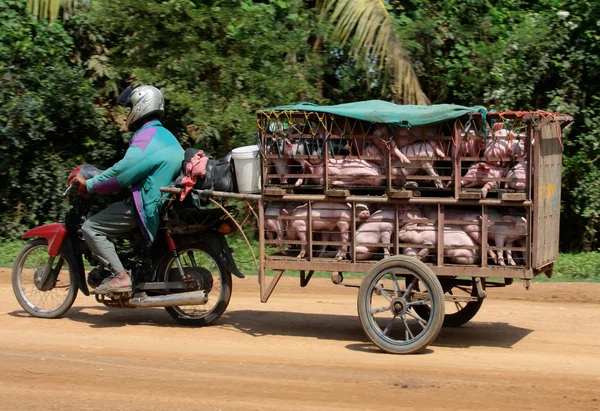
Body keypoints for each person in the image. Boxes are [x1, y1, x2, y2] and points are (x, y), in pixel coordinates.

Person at [68, 85, 184, 294]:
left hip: (148, 205)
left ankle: (121, 277)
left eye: (129, 107)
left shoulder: (147, 137)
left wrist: (91, 184)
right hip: (160, 200)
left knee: (91, 228)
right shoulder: (164, 134)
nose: (127, 113)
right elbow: (131, 170)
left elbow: (123, 172)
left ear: (141, 105)